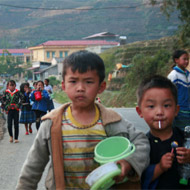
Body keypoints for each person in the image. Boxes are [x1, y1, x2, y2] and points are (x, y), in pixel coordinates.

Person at [16, 50, 150, 190]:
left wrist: (129, 163)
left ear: (101, 87)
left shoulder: (112, 121)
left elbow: (141, 142)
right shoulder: (51, 124)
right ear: (64, 86)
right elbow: (32, 167)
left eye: (89, 82)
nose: (80, 88)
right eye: (73, 81)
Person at [136, 75, 190, 189]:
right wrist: (159, 168)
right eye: (151, 106)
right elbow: (139, 179)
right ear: (140, 111)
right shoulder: (142, 146)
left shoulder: (186, 138)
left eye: (166, 105)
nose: (159, 112)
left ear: (176, 110)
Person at [168, 50, 190, 131]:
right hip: (179, 111)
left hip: (188, 111)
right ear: (176, 60)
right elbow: (169, 94)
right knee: (180, 133)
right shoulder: (173, 75)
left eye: (187, 59)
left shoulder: (188, 75)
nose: (186, 61)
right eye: (184, 59)